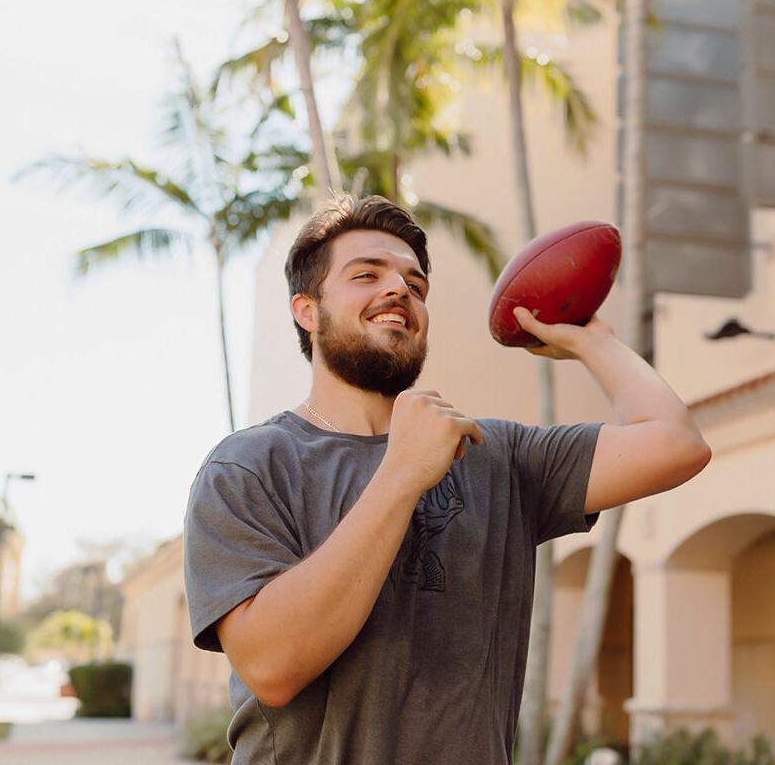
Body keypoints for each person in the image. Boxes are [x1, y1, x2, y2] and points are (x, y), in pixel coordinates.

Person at [183, 194, 711, 764]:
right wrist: (402, 473)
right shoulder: (248, 467)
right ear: (306, 311)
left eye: (415, 284)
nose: (399, 290)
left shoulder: (495, 455)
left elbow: (676, 444)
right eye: (366, 274)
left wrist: (591, 340)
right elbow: (272, 667)